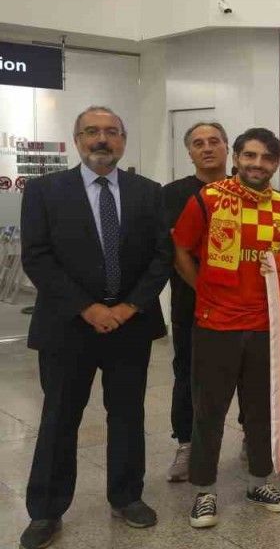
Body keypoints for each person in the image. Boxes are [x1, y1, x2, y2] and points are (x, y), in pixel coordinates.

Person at [18, 106, 172, 549]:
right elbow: (37, 257)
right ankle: (46, 510)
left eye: (110, 132)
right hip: (67, 326)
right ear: (77, 139)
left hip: (130, 325)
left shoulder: (148, 192)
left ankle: (127, 496)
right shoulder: (44, 191)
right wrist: (87, 308)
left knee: (127, 414)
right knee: (59, 417)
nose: (101, 139)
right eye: (91, 132)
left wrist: (127, 307)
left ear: (123, 140)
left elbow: (161, 256)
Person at [172, 128, 280, 528]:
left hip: (265, 327)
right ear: (237, 157)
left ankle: (259, 482)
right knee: (209, 411)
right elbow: (180, 249)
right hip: (216, 325)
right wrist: (204, 291)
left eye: (267, 158)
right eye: (250, 155)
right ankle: (204, 492)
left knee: (261, 410)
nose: (257, 164)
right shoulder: (208, 199)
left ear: (276, 163)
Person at [162, 121, 230, 484]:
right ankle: (187, 445)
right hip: (192, 301)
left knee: (247, 374)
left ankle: (252, 438)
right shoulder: (172, 195)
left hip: (244, 305)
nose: (207, 148)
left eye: (214, 141)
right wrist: (206, 291)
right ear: (189, 152)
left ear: (226, 147)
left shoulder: (246, 190)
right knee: (188, 372)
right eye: (198, 143)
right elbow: (175, 251)